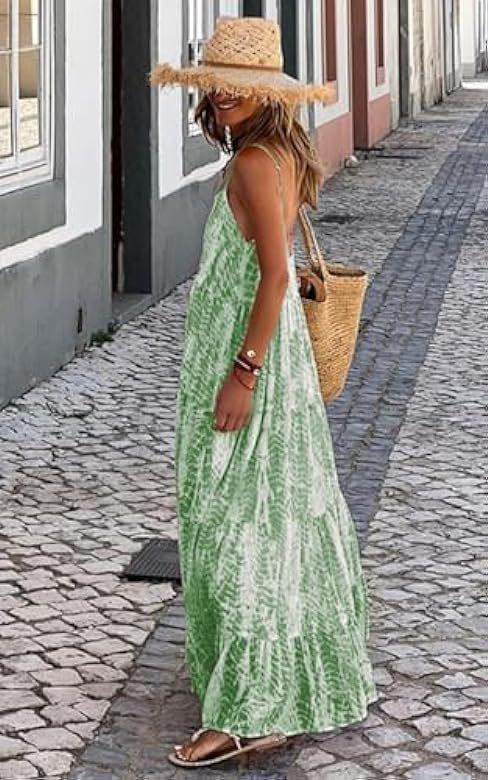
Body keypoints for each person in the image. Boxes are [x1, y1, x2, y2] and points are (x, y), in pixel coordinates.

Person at [151, 16, 378, 770]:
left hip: (249, 362)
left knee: (233, 530)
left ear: (267, 93)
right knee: (276, 521)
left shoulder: (254, 161)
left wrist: (242, 374)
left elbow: (276, 277)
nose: (222, 94)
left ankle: (248, 712)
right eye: (216, 83)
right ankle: (275, 685)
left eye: (237, 86)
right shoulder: (279, 153)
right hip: (272, 363)